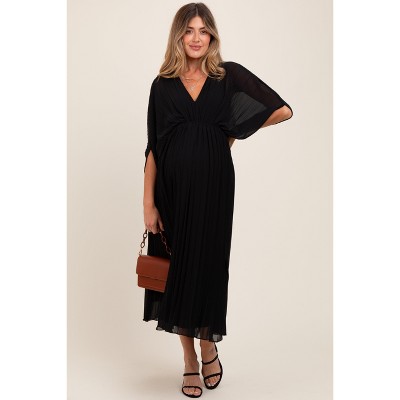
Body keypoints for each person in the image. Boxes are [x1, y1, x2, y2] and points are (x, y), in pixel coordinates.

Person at [142, 2, 293, 398]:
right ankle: (190, 359)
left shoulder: (228, 77)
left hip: (214, 188)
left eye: (203, 30)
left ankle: (208, 345)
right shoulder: (162, 85)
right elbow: (154, 147)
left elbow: (281, 110)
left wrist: (226, 135)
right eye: (188, 30)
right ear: (178, 36)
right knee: (178, 272)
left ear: (212, 36)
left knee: (207, 268)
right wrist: (148, 204)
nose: (196, 38)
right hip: (171, 193)